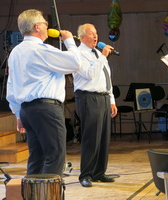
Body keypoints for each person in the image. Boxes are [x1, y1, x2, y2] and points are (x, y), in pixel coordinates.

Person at [6, 9, 81, 175]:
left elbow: (11, 86)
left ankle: (32, 195)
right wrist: (69, 41)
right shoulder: (41, 50)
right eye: (45, 24)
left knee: (37, 157)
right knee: (55, 156)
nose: (47, 27)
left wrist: (18, 113)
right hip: (46, 109)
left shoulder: (15, 52)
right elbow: (75, 63)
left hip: (27, 110)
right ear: (37, 27)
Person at [73, 23, 118, 187]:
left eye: (96, 33)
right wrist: (103, 57)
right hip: (88, 97)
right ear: (82, 37)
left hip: (104, 97)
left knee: (104, 137)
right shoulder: (78, 54)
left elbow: (106, 78)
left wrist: (111, 100)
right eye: (92, 33)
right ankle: (86, 174)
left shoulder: (97, 54)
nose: (95, 36)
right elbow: (90, 75)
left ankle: (99, 172)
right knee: (91, 137)